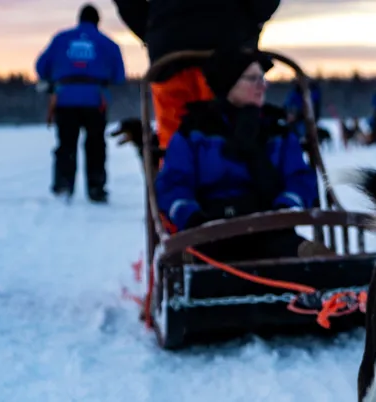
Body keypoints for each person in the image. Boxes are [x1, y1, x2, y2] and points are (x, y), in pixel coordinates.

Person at [154, 48, 331, 262]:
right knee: (196, 267)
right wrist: (192, 217)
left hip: (271, 229)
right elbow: (173, 183)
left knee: (307, 260)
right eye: (253, 79)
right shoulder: (194, 131)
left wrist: (286, 207)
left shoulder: (276, 131)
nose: (262, 85)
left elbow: (300, 178)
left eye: (263, 78)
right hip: (209, 232)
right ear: (229, 84)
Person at [113, 0, 281, 152]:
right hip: (230, 43)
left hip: (170, 47)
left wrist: (155, 29)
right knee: (238, 138)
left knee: (175, 146)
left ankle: (175, 178)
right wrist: (249, 25)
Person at [35, 3, 126, 203]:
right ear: (97, 21)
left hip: (65, 97)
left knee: (66, 143)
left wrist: (54, 79)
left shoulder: (61, 39)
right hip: (95, 99)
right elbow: (119, 75)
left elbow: (41, 66)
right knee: (95, 144)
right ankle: (96, 189)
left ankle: (63, 187)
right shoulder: (108, 44)